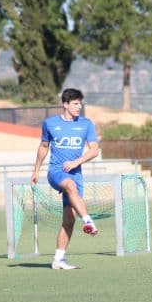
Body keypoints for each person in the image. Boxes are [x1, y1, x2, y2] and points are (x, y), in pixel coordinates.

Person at [31, 88, 99, 270]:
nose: (79, 107)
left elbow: (94, 150)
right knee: (68, 184)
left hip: (76, 175)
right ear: (65, 104)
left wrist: (76, 161)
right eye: (75, 103)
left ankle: (58, 260)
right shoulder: (50, 124)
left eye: (80, 103)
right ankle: (89, 222)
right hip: (56, 172)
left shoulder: (86, 124)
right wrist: (36, 171)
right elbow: (43, 147)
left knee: (69, 219)